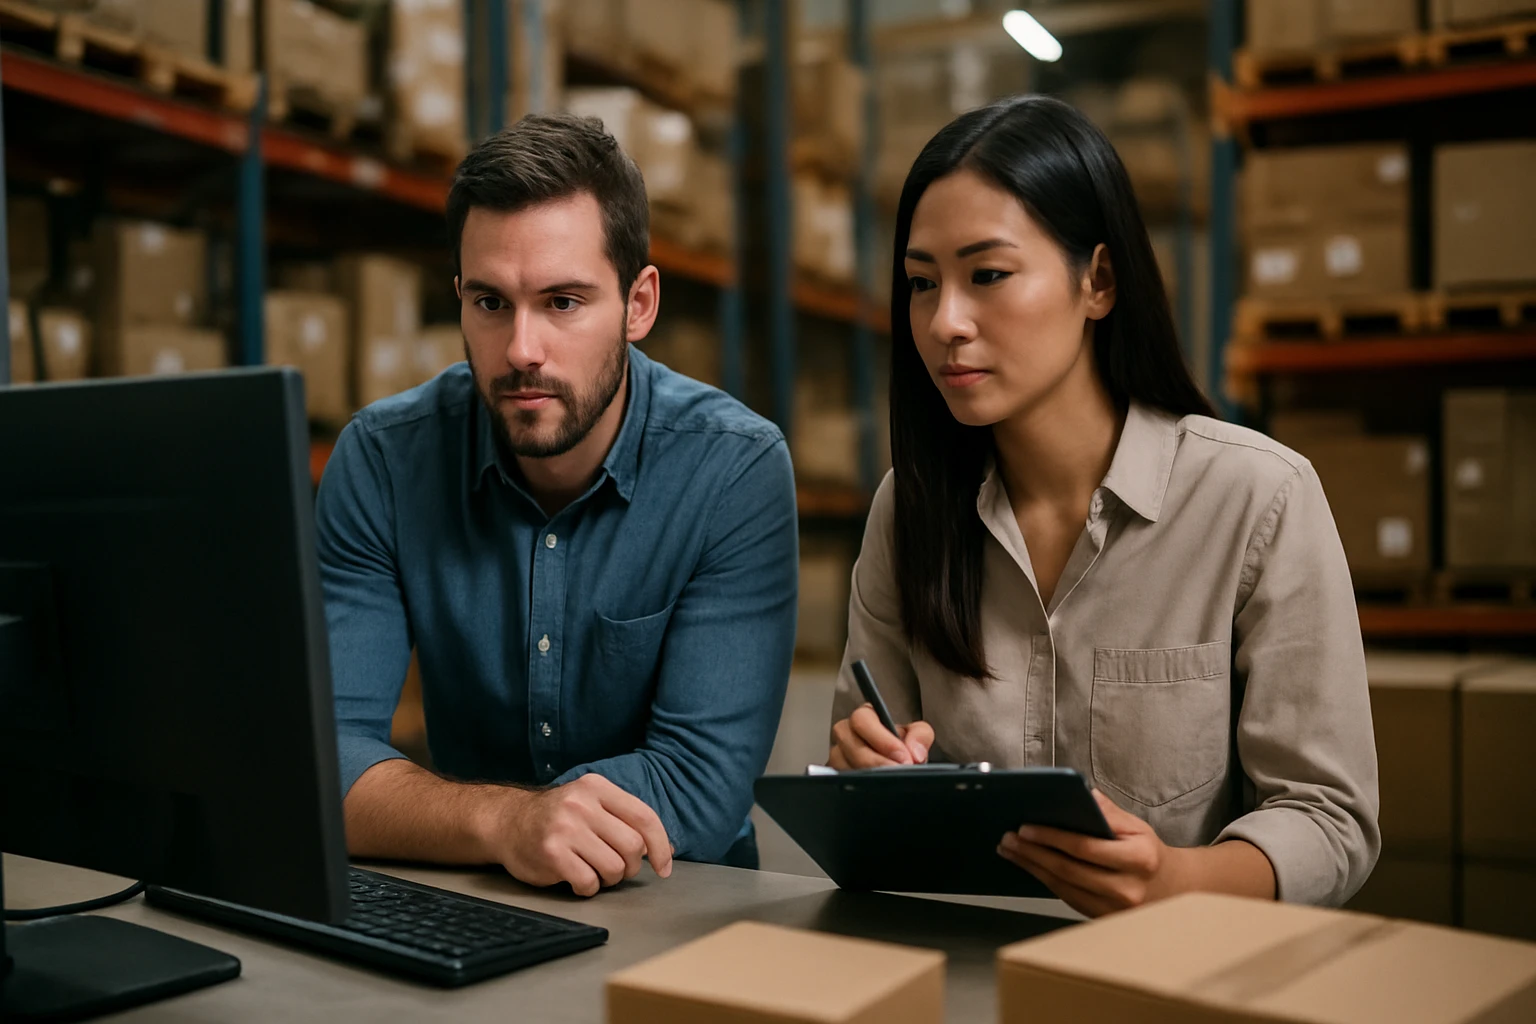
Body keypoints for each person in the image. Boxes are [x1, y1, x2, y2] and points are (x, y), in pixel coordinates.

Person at [828, 96, 1379, 917]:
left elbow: (1332, 821)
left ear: (1099, 280)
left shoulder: (1256, 499)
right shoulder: (909, 509)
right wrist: (860, 773)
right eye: (920, 283)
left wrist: (1175, 882)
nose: (945, 321)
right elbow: (862, 816)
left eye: (988, 275)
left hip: (1180, 972)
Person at [318, 114, 799, 897]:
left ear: (639, 304)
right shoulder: (382, 460)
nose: (521, 350)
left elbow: (702, 786)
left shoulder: (732, 470)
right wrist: (507, 824)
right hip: (473, 887)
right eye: (491, 303)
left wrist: (442, 809)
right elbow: (324, 759)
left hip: (676, 898)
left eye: (563, 302)